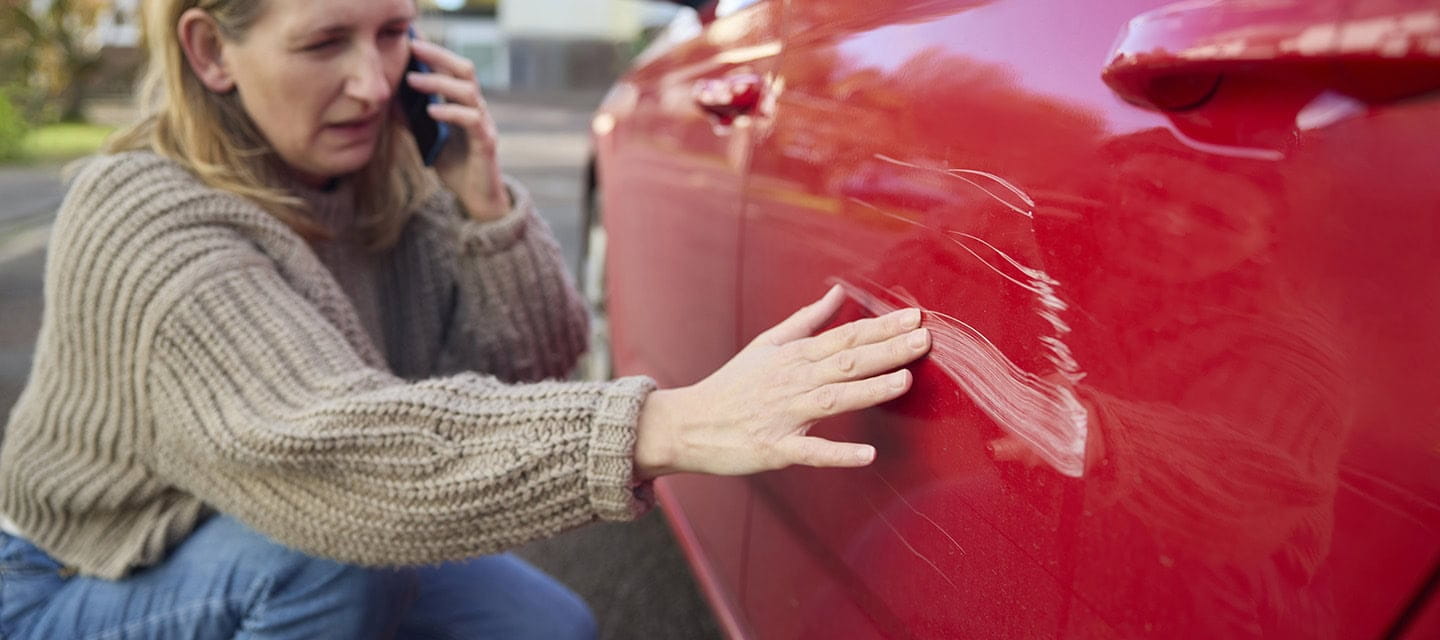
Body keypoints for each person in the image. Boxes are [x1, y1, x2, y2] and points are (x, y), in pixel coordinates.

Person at [0, 0, 931, 637]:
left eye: (394, 32)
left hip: (253, 535)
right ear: (210, 52)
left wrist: (483, 202)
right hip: (81, 578)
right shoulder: (141, 216)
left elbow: (523, 375)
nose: (373, 83)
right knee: (322, 565)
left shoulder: (384, 180)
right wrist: (668, 423)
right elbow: (326, 453)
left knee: (545, 624)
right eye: (325, 43)